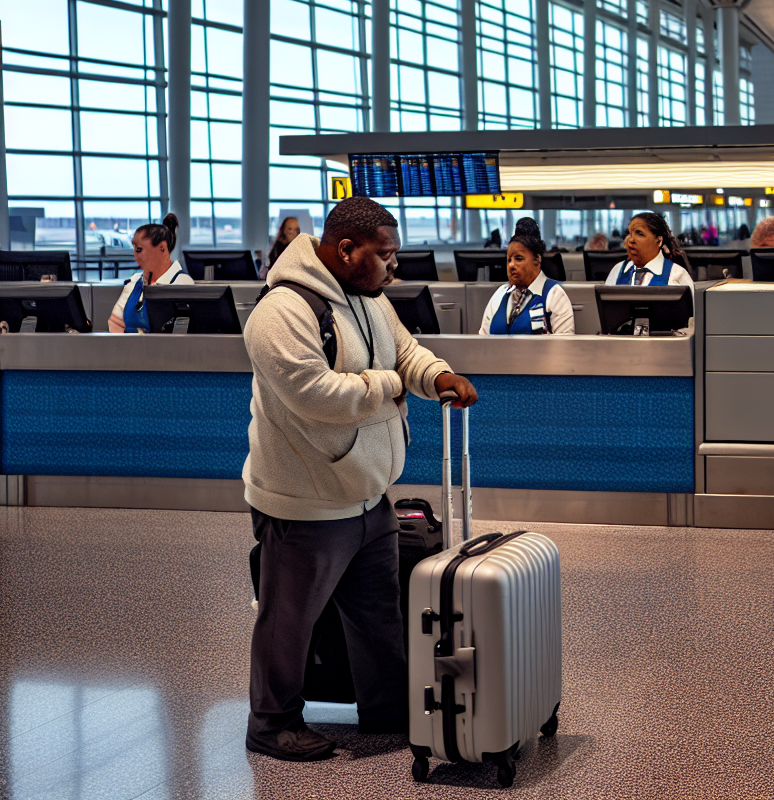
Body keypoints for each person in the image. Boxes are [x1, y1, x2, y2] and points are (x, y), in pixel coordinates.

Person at [243, 196, 478, 761]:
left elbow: (404, 350)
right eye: (386, 255)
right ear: (347, 250)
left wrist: (437, 374)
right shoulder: (281, 312)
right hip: (306, 501)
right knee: (290, 619)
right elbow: (314, 395)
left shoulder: (369, 297)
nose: (395, 267)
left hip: (370, 496)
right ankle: (271, 723)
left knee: (377, 615)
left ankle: (386, 712)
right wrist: (392, 386)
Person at [477, 217, 575, 335]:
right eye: (509, 260)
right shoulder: (500, 295)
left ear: (537, 260)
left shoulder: (554, 296)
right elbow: (482, 341)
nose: (511, 265)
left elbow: (564, 349)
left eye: (519, 259)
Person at [108, 214, 195, 333]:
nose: (135, 256)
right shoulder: (135, 281)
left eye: (139, 250)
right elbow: (115, 323)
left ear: (162, 249)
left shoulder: (182, 283)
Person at [606, 211, 695, 287]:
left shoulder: (677, 275)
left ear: (659, 241)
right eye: (629, 234)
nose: (631, 240)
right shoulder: (618, 270)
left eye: (640, 234)